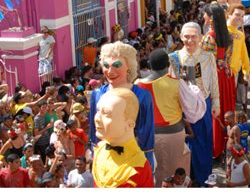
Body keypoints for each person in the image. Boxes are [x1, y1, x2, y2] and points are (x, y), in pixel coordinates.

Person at [89, 42, 155, 170]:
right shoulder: (97, 94)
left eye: (117, 65)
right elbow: (94, 132)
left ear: (129, 67)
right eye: (106, 66)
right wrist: (95, 155)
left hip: (132, 160)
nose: (110, 71)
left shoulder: (142, 96)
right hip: (104, 158)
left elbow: (146, 135)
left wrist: (147, 165)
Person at [168, 22, 220, 187]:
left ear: (200, 37)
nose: (190, 40)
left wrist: (216, 102)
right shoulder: (174, 58)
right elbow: (170, 84)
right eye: (186, 37)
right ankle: (186, 179)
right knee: (185, 143)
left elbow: (214, 80)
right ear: (181, 37)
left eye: (193, 37)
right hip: (182, 107)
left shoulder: (207, 56)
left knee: (203, 142)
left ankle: (203, 178)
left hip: (203, 105)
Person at [137, 48, 189, 186]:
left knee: (154, 172)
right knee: (170, 175)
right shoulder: (176, 83)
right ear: (168, 65)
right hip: (173, 134)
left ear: (150, 65)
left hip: (147, 137)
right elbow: (189, 108)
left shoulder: (137, 85)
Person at [92, 88, 154, 187]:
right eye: (98, 110)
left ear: (130, 124)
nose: (97, 118)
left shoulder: (138, 167)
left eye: (107, 114)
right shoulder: (99, 150)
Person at [201, 4, 235, 159]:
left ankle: (216, 148)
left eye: (205, 15)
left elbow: (204, 61)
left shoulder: (209, 37)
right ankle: (227, 142)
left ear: (212, 18)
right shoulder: (228, 36)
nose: (203, 17)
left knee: (215, 110)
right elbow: (227, 58)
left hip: (215, 76)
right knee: (226, 108)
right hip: (226, 75)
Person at [226, 4, 250, 114]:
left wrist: (246, 70)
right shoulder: (223, 31)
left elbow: (243, 53)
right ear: (229, 15)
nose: (240, 18)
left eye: (242, 16)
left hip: (234, 74)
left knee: (231, 100)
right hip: (223, 73)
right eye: (237, 15)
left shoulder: (240, 35)